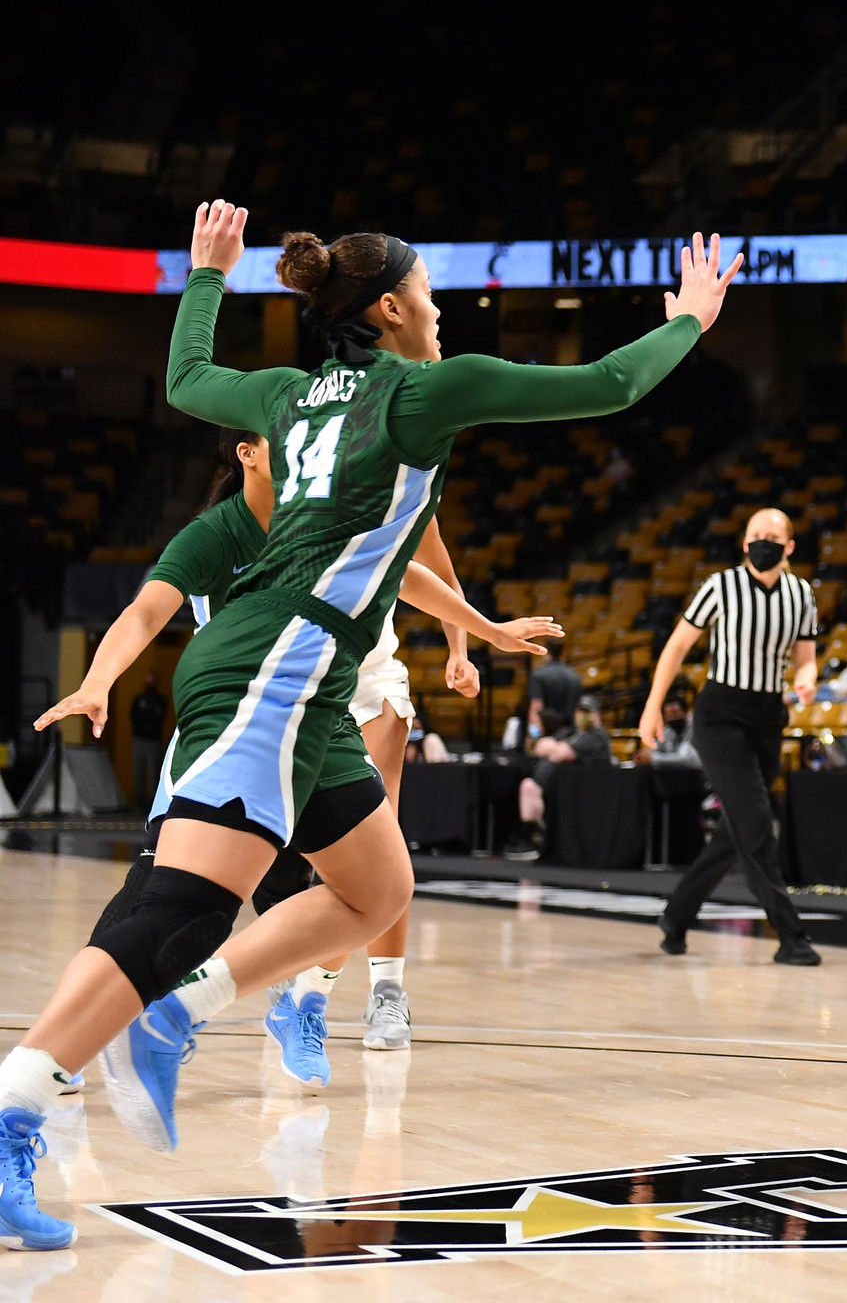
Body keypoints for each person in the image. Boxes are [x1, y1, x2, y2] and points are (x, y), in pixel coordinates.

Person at [0, 202, 738, 1251]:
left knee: (376, 889)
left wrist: (207, 278)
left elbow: (185, 382)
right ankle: (22, 1102)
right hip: (279, 671)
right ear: (392, 309)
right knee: (173, 912)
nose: (442, 313)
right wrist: (691, 321)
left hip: (306, 673)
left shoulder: (288, 393)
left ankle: (178, 1012)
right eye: (433, 296)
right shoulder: (423, 390)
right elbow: (608, 384)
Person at [37, 429, 557, 1092]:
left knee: (358, 888)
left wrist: (487, 632)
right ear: (247, 455)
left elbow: (406, 570)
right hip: (228, 732)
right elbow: (143, 614)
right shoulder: (214, 535)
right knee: (163, 899)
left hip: (315, 723)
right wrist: (97, 680)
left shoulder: (327, 519)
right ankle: (71, 1039)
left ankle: (301, 1007)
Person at [639, 507, 822, 966]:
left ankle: (676, 916)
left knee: (736, 831)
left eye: (773, 536)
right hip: (720, 714)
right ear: (744, 542)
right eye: (756, 535)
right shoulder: (720, 586)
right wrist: (652, 705)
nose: (764, 542)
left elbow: (806, 657)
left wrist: (807, 678)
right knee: (757, 820)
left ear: (790, 546)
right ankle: (791, 935)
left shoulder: (801, 593)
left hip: (767, 717)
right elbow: (678, 646)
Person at [509, 697, 614, 859]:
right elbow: (538, 747)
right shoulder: (571, 732)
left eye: (587, 712)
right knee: (528, 786)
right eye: (580, 711)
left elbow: (563, 753)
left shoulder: (597, 736)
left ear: (596, 715)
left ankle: (537, 838)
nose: (582, 715)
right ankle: (530, 838)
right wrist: (553, 748)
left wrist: (553, 749)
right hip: (557, 788)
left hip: (586, 792)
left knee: (531, 787)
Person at [527, 637, 582, 739]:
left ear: (546, 651)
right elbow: (578, 709)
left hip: (547, 736)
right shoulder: (574, 676)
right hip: (570, 735)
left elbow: (536, 707)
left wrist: (534, 737)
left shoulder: (539, 675)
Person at [127, 674, 168, 808]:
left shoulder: (160, 699)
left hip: (153, 740)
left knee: (152, 772)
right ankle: (139, 801)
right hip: (139, 738)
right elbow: (133, 716)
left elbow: (159, 717)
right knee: (138, 770)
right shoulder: (139, 698)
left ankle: (151, 802)